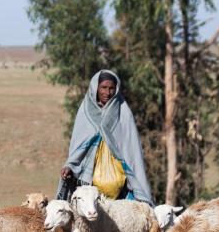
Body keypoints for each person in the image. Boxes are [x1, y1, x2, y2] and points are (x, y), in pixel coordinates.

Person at [56, 69, 153, 206]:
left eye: (111, 88)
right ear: (96, 87)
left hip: (122, 189)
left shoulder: (123, 112)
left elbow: (132, 152)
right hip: (89, 184)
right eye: (103, 88)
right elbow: (78, 150)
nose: (107, 93)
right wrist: (70, 166)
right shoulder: (85, 112)